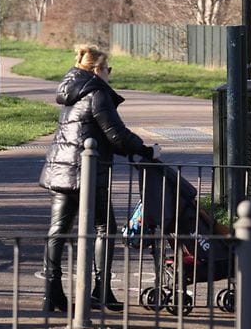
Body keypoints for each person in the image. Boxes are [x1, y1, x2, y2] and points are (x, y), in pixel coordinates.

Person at [38, 44, 160, 313]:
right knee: (106, 229)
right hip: (85, 174)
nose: (110, 73)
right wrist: (145, 150)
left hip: (61, 170)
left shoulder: (72, 90)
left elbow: (101, 133)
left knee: (57, 231)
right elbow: (116, 134)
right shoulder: (96, 93)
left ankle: (51, 293)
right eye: (108, 68)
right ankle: (101, 290)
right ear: (97, 69)